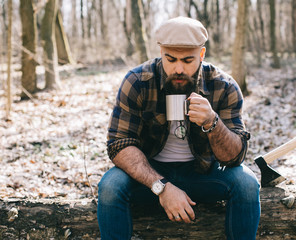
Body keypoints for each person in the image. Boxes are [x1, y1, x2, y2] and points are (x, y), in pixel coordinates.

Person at [97, 16, 260, 240]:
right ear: (160, 52)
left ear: (202, 55)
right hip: (149, 173)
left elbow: (234, 158)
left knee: (247, 183)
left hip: (202, 173)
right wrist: (161, 187)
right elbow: (119, 144)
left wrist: (212, 122)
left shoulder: (224, 86)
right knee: (109, 186)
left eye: (188, 60)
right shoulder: (138, 81)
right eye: (170, 59)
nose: (179, 68)